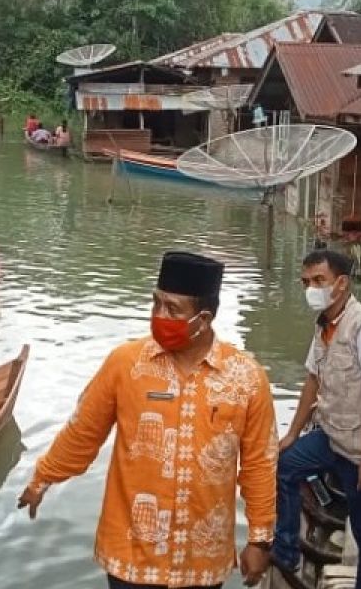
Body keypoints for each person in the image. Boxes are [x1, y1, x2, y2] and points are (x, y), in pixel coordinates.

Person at [18, 252, 278, 589]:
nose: (159, 316)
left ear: (204, 319)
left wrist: (259, 540)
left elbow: (260, 462)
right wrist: (42, 478)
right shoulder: (126, 364)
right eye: (155, 303)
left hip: (201, 558)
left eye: (172, 309)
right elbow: (83, 430)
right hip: (132, 554)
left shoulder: (246, 378)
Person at [273, 249, 361, 588]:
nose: (310, 288)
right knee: (284, 465)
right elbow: (313, 379)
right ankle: (285, 552)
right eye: (306, 282)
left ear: (341, 283)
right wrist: (293, 434)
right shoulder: (324, 322)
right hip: (328, 435)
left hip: (358, 449)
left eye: (318, 281)